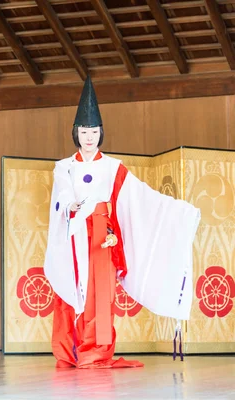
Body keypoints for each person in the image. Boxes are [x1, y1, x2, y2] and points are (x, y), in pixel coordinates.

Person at [43, 76, 201, 369]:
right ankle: (72, 350)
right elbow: (62, 195)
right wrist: (71, 206)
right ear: (75, 133)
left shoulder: (113, 167)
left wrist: (178, 211)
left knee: (101, 295)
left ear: (100, 133)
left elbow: (140, 196)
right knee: (73, 289)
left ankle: (97, 351)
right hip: (75, 236)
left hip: (103, 236)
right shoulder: (63, 167)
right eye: (84, 131)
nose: (89, 137)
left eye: (94, 132)